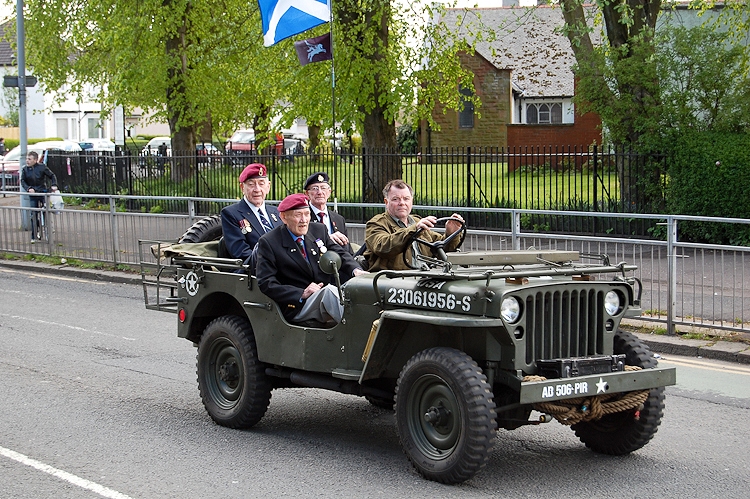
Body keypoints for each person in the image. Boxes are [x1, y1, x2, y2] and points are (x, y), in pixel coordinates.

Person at [256, 193, 366, 325]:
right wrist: (301, 293)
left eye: (307, 214)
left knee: (354, 292)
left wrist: (356, 270)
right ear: (284, 217)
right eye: (298, 215)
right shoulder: (269, 242)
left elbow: (339, 253)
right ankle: (360, 330)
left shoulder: (318, 230)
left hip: (324, 296)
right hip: (297, 305)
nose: (304, 220)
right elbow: (266, 283)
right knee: (329, 292)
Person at [364, 179, 464, 272]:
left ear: (411, 201)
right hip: (392, 282)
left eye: (406, 199)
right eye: (396, 199)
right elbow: (383, 247)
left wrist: (451, 233)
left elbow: (442, 249)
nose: (402, 203)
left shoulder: (417, 221)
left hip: (424, 279)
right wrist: (414, 230)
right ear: (386, 202)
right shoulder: (376, 224)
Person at [220, 163, 282, 269]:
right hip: (256, 272)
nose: (257, 189)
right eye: (251, 184)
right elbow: (241, 253)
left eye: (261, 183)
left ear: (268, 187)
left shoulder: (276, 212)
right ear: (242, 187)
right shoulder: (231, 213)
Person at [304, 171, 353, 254]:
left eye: (323, 188)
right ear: (307, 194)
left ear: (329, 192)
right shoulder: (303, 217)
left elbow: (347, 249)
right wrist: (328, 239)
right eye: (315, 188)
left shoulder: (339, 219)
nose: (320, 192)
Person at [20, 151, 58, 243]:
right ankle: (34, 235)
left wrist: (54, 185)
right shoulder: (25, 170)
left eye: (29, 159)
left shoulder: (42, 167)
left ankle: (48, 232)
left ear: (35, 160)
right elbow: (23, 181)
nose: (27, 161)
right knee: (33, 214)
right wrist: (28, 188)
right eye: (27, 159)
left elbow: (52, 175)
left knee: (46, 212)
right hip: (33, 194)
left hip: (42, 192)